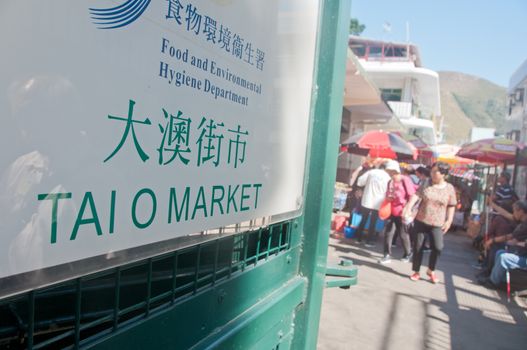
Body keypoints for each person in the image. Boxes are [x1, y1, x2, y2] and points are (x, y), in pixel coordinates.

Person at [402, 162, 456, 283]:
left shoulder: (449, 188)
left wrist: (449, 220)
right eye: (431, 171)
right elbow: (417, 195)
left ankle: (431, 270)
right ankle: (416, 271)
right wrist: (409, 207)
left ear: (443, 174)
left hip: (437, 223)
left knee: (438, 247)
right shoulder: (426, 183)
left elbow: (451, 205)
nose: (431, 174)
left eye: (434, 171)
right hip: (421, 220)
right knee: (418, 247)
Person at [478, 200, 527, 288]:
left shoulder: (525, 224)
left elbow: (510, 236)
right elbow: (505, 213)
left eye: (515, 210)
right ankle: (496, 278)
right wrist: (493, 204)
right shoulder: (522, 220)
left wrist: (492, 240)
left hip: (523, 256)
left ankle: (492, 282)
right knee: (500, 252)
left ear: (521, 211)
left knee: (503, 256)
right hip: (519, 251)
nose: (513, 213)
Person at [379, 160, 415, 264]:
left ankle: (408, 253)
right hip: (391, 210)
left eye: (391, 171)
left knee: (403, 234)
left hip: (402, 211)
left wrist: (407, 208)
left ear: (396, 170)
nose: (390, 173)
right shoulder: (389, 182)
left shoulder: (405, 180)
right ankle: (386, 254)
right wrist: (388, 198)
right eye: (388, 171)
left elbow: (412, 195)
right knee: (388, 232)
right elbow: (387, 194)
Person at [355, 159, 391, 246]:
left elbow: (360, 182)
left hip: (367, 199)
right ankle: (368, 241)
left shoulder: (371, 172)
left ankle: (358, 239)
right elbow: (389, 189)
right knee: (373, 221)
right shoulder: (388, 177)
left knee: (363, 219)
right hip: (378, 202)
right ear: (386, 168)